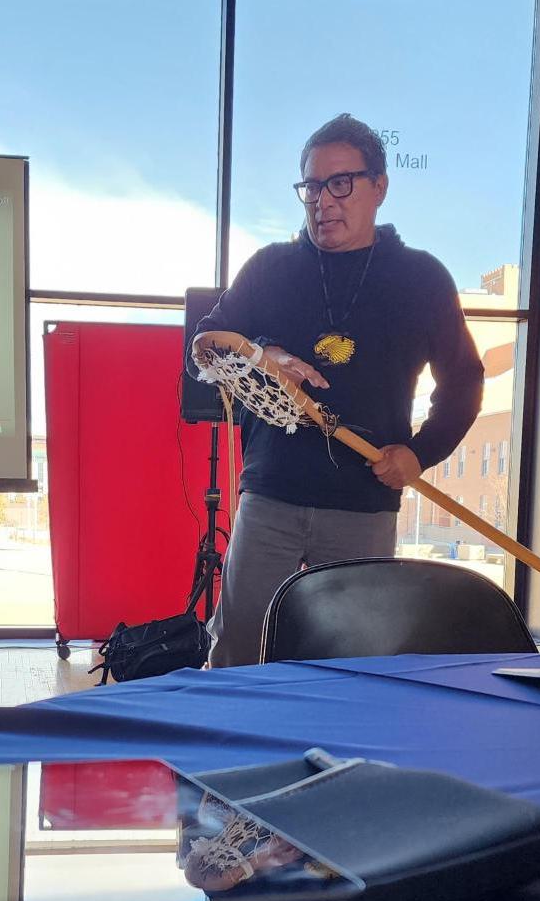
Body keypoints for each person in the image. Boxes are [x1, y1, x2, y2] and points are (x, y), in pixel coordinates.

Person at [192, 113, 485, 668]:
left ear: (379, 187)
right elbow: (204, 347)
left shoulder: (421, 278)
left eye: (340, 183)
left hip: (363, 505)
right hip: (271, 496)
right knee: (238, 652)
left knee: (354, 659)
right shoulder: (269, 267)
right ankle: (228, 753)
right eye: (311, 186)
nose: (322, 200)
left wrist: (421, 454)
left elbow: (465, 379)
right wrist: (263, 355)